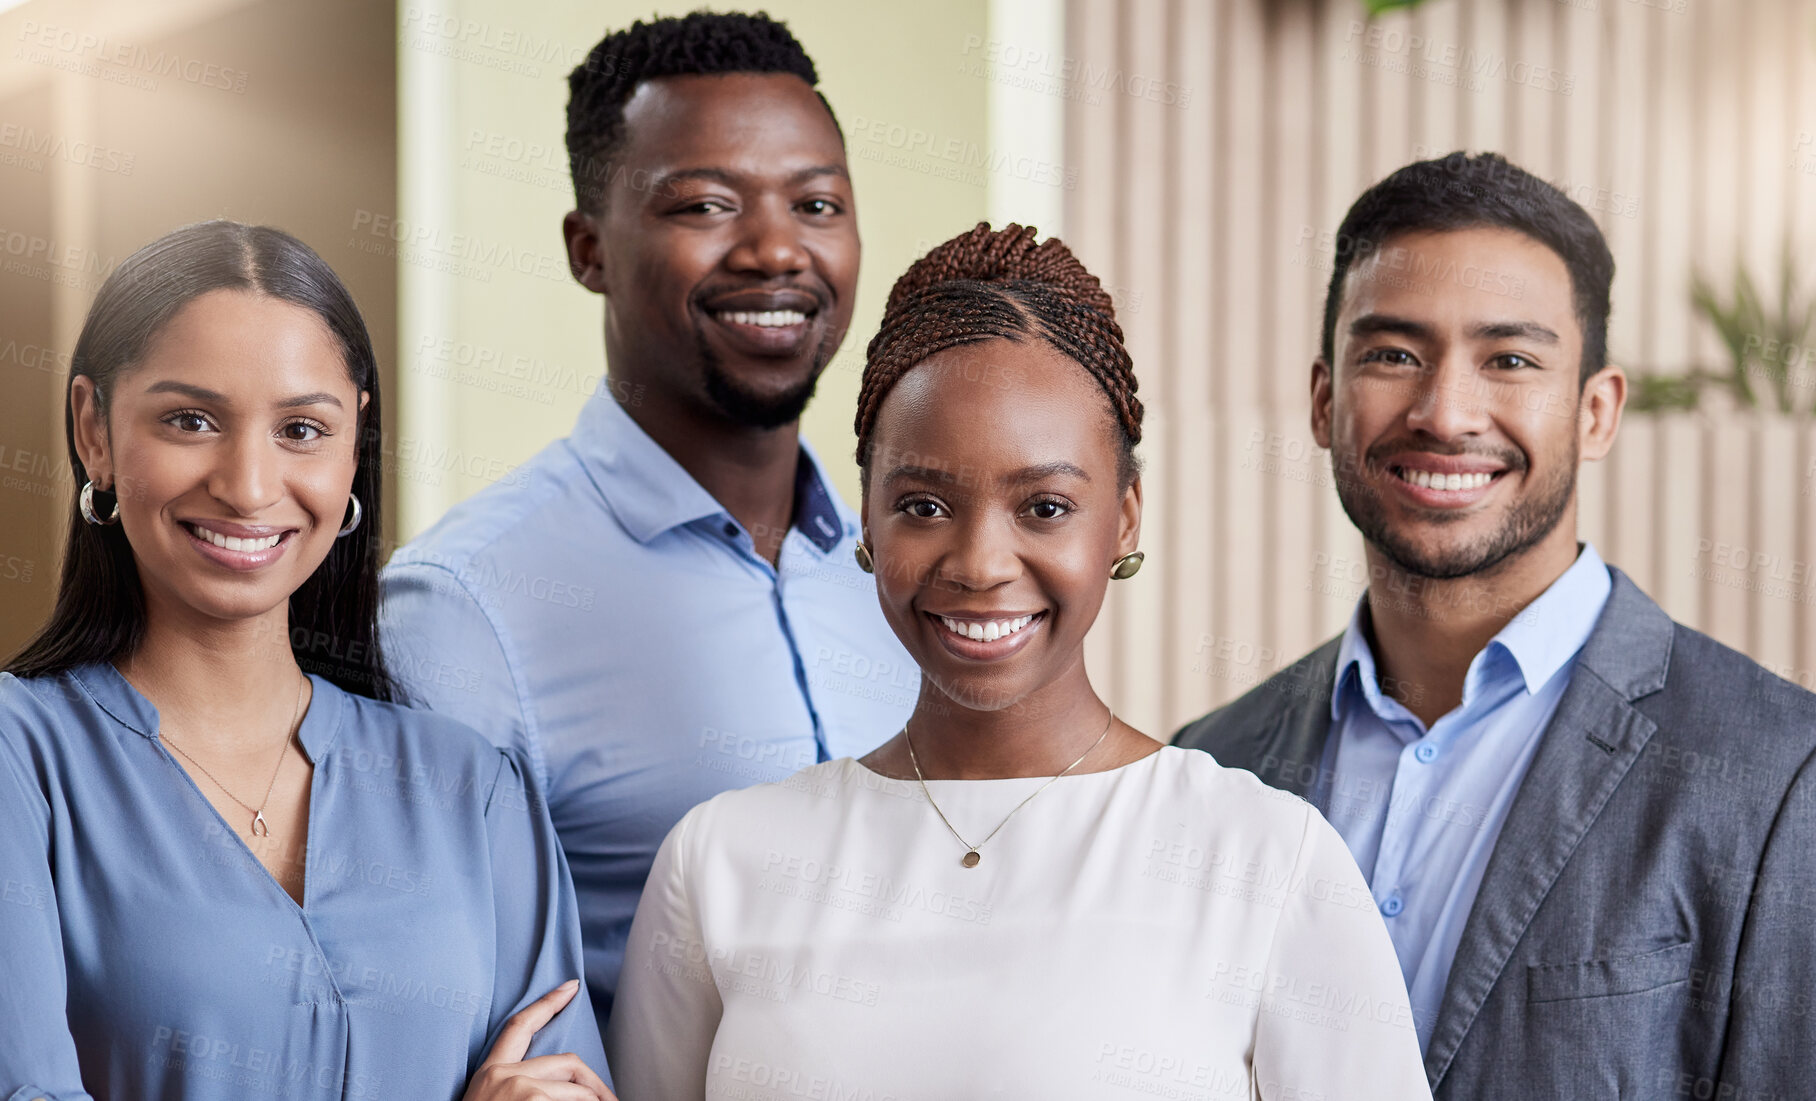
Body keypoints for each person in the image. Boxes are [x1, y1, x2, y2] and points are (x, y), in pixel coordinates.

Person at [603, 223, 1430, 1100]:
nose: (980, 563)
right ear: (867, 523)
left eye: (1043, 505)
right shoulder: (721, 863)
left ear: (1124, 516)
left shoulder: (1265, 860)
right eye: (923, 503)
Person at [1175, 152, 1816, 1098]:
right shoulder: (1214, 764)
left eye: (1510, 360)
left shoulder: (1778, 777)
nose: (1444, 413)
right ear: (1324, 400)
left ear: (1596, 412)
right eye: (1394, 355)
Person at [380, 11, 914, 1030]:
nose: (774, 249)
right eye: (705, 205)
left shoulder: (905, 568)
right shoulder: (464, 608)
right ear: (589, 249)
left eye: (816, 203)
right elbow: (434, 1005)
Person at [0, 221, 611, 1101]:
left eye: (300, 428)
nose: (249, 485)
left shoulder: (475, 791)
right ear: (93, 428)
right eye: (190, 419)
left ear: (354, 443)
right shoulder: (23, 762)